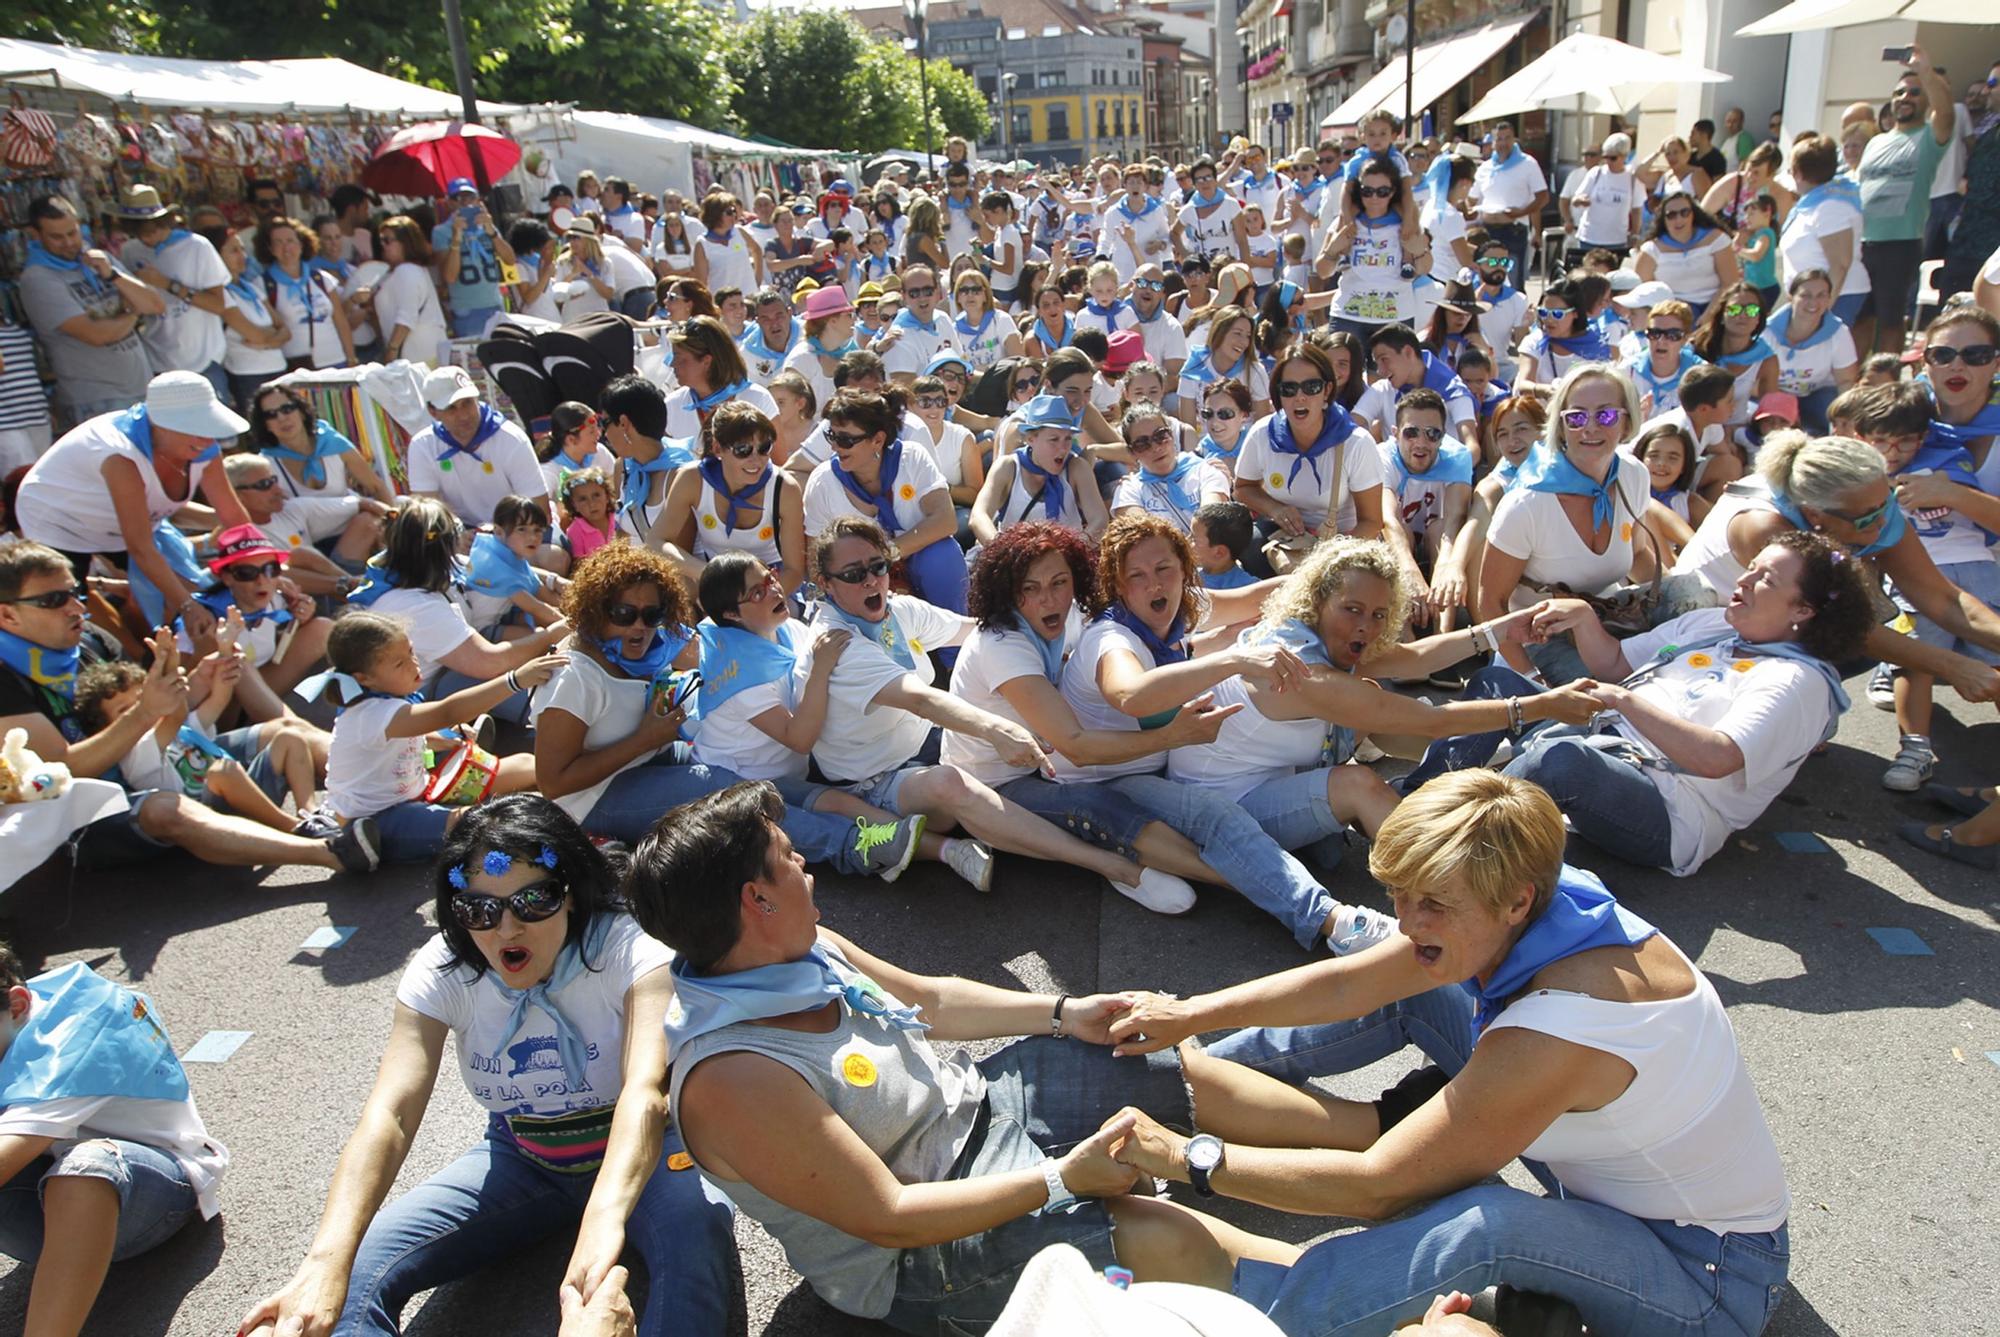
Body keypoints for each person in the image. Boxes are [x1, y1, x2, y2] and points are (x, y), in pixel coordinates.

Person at [1104, 769, 1796, 1337]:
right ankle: (1191, 1080)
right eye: (1397, 896)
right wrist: (1191, 1014)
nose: (1407, 921)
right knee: (1421, 985)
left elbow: (1377, 1186)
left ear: (1516, 900)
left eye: (1431, 903)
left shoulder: (1558, 1032)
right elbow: (1358, 978)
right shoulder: (1547, 891)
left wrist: (1190, 1160)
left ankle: (1252, 1312)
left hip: (1707, 1279)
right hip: (1607, 1175)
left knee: (1488, 1228)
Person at [620, 780, 1326, 1332]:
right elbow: (890, 1213)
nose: (805, 863)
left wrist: (1063, 1013)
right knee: (1163, 1234)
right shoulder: (730, 1076)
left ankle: (1376, 1132)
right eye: (788, 857)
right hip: (917, 1253)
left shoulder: (798, 950)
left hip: (972, 1108)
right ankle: (1348, 1295)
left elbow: (929, 999)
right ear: (757, 900)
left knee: (1143, 1054)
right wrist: (1062, 1178)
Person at [237, 797, 736, 1337]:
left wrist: (600, 1221)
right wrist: (321, 1264)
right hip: (524, 1156)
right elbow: (390, 1115)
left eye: (533, 900)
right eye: (478, 909)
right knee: (349, 1268)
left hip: (654, 1154)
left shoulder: (628, 948)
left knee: (698, 1236)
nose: (506, 929)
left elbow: (646, 1092)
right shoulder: (444, 968)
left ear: (570, 894)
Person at [1411, 528, 1871, 872]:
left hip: (1670, 808)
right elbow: (1615, 665)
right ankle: (1411, 804)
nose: (1745, 580)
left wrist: (1624, 704)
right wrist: (1584, 619)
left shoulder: (1797, 680)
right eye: (1751, 567)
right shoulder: (1714, 624)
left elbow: (1718, 757)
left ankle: (1446, 849)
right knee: (1497, 682)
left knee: (1559, 759)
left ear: (1803, 611)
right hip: (1600, 741)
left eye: (1766, 579)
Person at [797, 516, 1196, 907]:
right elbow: (923, 699)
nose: (870, 580)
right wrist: (996, 726)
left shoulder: (898, 612)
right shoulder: (838, 643)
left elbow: (971, 629)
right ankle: (1115, 867)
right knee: (971, 786)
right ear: (826, 585)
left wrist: (1015, 630)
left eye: (877, 566)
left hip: (922, 745)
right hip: (876, 778)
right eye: (853, 574)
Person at [1163, 534, 1595, 865]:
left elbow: (1409, 658)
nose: (1365, 627)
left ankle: (1397, 808)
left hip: (1266, 772)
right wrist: (1543, 705)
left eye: (1378, 615)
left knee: (1368, 701)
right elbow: (1434, 721)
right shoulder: (1306, 671)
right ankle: (1449, 877)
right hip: (1221, 807)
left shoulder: (1314, 631)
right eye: (1352, 609)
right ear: (1320, 601)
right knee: (1358, 785)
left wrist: (1501, 629)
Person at [0, 538, 380, 875]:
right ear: (7, 614)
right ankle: (327, 850)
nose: (75, 608)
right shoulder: (6, 678)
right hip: (89, 812)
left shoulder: (90, 641)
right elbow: (62, 770)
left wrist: (198, 679)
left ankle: (399, 772)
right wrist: (146, 712)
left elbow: (152, 709)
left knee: (288, 730)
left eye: (75, 593)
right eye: (53, 600)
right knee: (166, 810)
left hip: (155, 759)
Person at [1665, 431, 2000, 709]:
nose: (1883, 522)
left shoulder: (1861, 499)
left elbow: (1941, 598)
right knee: (1836, 646)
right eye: (1870, 518)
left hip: (1776, 614)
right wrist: (1954, 666)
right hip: (1704, 624)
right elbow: (1847, 626)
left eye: (1888, 503)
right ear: (1814, 516)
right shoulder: (1765, 527)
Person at [0, 948, 229, 1335]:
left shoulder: (73, 1036)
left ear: (18, 1004)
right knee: (75, 1166)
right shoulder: (20, 1013)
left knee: (87, 1165)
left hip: (152, 1194)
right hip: (45, 1192)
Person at [1476, 365, 1680, 684]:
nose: (1590, 428)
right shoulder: (1527, 504)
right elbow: (1490, 602)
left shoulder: (1633, 474)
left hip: (1609, 616)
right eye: (1577, 417)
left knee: (1693, 613)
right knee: (1611, 699)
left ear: (1627, 420)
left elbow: (1638, 556)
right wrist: (1531, 676)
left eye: (1606, 416)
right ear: (1561, 424)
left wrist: (1672, 610)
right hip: (1540, 639)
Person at [1845, 380, 1998, 793]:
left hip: (1976, 568)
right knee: (1917, 663)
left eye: (1904, 442)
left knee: (1995, 659)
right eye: (1881, 442)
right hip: (1915, 574)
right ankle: (1915, 750)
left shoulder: (1951, 456)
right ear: (1862, 438)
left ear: (1923, 436)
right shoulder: (1864, 472)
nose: (1893, 452)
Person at [16, 371, 253, 636]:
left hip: (128, 521)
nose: (207, 439)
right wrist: (187, 606)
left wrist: (268, 570)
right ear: (160, 424)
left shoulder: (204, 448)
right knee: (67, 609)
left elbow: (234, 519)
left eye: (208, 427)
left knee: (197, 592)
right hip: (59, 521)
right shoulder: (120, 457)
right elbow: (140, 546)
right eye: (195, 428)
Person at [803, 389, 967, 613]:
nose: (835, 447)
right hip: (859, 577)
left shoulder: (912, 458)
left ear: (877, 440)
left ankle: (953, 644)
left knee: (942, 555)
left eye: (845, 440)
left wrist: (888, 555)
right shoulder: (822, 482)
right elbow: (816, 560)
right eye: (832, 436)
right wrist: (873, 571)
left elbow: (946, 520)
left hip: (915, 560)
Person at [1232, 342, 1385, 563]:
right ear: (1278, 395)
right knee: (1246, 544)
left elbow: (1371, 522)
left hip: (1344, 545)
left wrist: (1331, 559)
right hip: (1285, 541)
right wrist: (1275, 509)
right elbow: (1243, 488)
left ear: (1327, 390)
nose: (1300, 397)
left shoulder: (1356, 443)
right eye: (1289, 389)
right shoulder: (1262, 434)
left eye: (1311, 387)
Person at [18, 194, 163, 426]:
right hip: (96, 400)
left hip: (141, 388)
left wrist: (114, 276)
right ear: (35, 235)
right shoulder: (38, 278)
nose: (68, 243)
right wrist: (134, 312)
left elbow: (154, 304)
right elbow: (98, 335)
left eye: (72, 233)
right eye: (56, 237)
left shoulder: (97, 259)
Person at [1854, 46, 1955, 357]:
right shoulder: (1876, 142)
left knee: (1890, 322)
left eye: (1914, 92)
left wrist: (1925, 70)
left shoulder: (1929, 136)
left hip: (1899, 244)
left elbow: (1946, 111)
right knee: (1859, 319)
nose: (1905, 97)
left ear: (1925, 100)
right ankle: (1853, 383)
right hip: (1861, 243)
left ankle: (1887, 384)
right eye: (1899, 92)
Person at [654, 400, 805, 596]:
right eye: (743, 450)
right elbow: (656, 542)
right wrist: (709, 575)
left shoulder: (785, 488)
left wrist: (758, 601)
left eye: (764, 447)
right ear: (718, 449)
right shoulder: (693, 479)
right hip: (715, 586)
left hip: (772, 585)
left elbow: (794, 571)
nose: (756, 459)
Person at [115, 185, 229, 394]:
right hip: (159, 364)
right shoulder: (130, 250)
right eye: (139, 234)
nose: (146, 239)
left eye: (151, 232)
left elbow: (218, 305)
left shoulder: (197, 247)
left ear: (163, 222)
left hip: (203, 362)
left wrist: (168, 284)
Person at [405, 367, 549, 528]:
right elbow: (427, 511)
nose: (464, 415)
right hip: (456, 532)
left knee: (551, 554)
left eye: (467, 402)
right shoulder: (422, 445)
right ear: (433, 412)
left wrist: (501, 536)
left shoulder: (511, 438)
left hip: (515, 530)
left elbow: (539, 509)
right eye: (451, 408)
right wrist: (457, 535)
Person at [972, 393, 1108, 543]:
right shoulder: (1007, 467)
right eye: (1054, 439)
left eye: (1068, 438)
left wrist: (1070, 552)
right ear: (1031, 439)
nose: (1063, 448)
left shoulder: (1077, 467)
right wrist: (1004, 552)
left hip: (1066, 560)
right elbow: (978, 516)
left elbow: (1099, 520)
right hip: (1015, 558)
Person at [1317, 158, 1428, 340]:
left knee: (1389, 370)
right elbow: (1322, 271)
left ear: (1393, 192)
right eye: (1367, 191)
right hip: (1348, 315)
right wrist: (1333, 249)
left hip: (1395, 317)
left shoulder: (1407, 223)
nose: (1374, 197)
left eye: (1382, 191)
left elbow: (1424, 268)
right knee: (1343, 369)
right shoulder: (1345, 223)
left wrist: (1419, 251)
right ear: (1358, 192)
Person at [1779, 135, 1869, 327]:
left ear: (1797, 173)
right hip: (1812, 300)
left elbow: (1840, 265)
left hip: (1836, 299)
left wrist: (1821, 311)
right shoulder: (1815, 202)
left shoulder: (1831, 207)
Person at [1763, 269, 1859, 434]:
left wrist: (1843, 417)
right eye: (1805, 295)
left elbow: (1846, 381)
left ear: (1829, 299)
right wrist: (1783, 405)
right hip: (1772, 393)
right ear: (1791, 297)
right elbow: (1753, 380)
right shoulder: (1767, 331)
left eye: (1821, 295)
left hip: (1817, 394)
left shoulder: (1839, 333)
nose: (1813, 302)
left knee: (1831, 418)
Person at [257, 215, 355, 370]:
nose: (286, 247)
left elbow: (341, 322)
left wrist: (351, 359)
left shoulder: (321, 278)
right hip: (297, 368)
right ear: (270, 248)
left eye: (290, 241)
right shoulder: (264, 284)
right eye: (278, 242)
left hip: (336, 362)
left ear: (301, 244)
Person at [661, 315, 779, 441]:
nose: (672, 364)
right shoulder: (672, 405)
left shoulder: (757, 399)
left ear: (706, 361)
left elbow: (779, 460)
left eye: (679, 358)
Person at [429, 178, 515, 339]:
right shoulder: (441, 232)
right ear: (449, 203)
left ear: (478, 200)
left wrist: (493, 233)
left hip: (495, 304)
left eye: (470, 197)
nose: (465, 202)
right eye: (458, 198)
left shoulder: (487, 226)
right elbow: (449, 276)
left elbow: (510, 260)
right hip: (467, 309)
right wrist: (456, 239)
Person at [1468, 124, 1549, 289]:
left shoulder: (1528, 164)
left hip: (1513, 230)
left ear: (1514, 140)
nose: (1503, 143)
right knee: (1486, 280)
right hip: (1487, 232)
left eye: (1507, 138)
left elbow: (1543, 197)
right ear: (1493, 142)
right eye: (1499, 139)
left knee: (1512, 282)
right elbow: (1472, 199)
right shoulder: (1485, 167)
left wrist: (1521, 212)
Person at [1634, 192, 1738, 320]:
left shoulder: (1717, 239)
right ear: (1663, 219)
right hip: (1673, 312)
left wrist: (1709, 316)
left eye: (1684, 213)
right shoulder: (1651, 249)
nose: (1678, 219)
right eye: (1671, 215)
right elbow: (1642, 292)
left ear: (1693, 214)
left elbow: (1730, 284)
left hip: (1717, 306)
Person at [1689, 282, 1778, 426]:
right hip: (1699, 428)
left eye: (1751, 310)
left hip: (1737, 429)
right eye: (1735, 309)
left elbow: (1771, 412)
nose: (1742, 315)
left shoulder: (1767, 360)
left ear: (1758, 319)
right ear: (1722, 316)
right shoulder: (1695, 349)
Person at [370, 216, 451, 367]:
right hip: (422, 355)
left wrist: (392, 350)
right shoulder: (408, 271)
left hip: (417, 357)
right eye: (381, 240)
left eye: (387, 240)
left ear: (405, 243)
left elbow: (406, 316)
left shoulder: (406, 270)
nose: (382, 245)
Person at [1512, 277, 1612, 394]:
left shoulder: (1595, 347)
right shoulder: (1535, 341)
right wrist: (1545, 390)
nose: (1548, 319)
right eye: (1543, 312)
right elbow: (1523, 385)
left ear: (1575, 313)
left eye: (1557, 314)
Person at [1568, 135, 1639, 268]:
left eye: (1613, 158)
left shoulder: (1632, 177)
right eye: (1605, 157)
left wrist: (1634, 234)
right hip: (1590, 237)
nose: (1608, 162)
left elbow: (1636, 210)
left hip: (1616, 240)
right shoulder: (1596, 173)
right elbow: (1576, 198)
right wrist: (1580, 200)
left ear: (1624, 156)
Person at [1621, 297, 1700, 417]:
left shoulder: (1699, 376)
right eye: (1654, 333)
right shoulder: (1627, 372)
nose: (1661, 341)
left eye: (1673, 335)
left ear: (1685, 339)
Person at [692, 193, 763, 297]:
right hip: (723, 304)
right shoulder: (702, 244)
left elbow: (757, 250)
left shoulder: (739, 232)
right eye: (729, 212)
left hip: (750, 297)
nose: (734, 215)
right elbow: (702, 283)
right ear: (715, 214)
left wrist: (757, 280)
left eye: (734, 211)